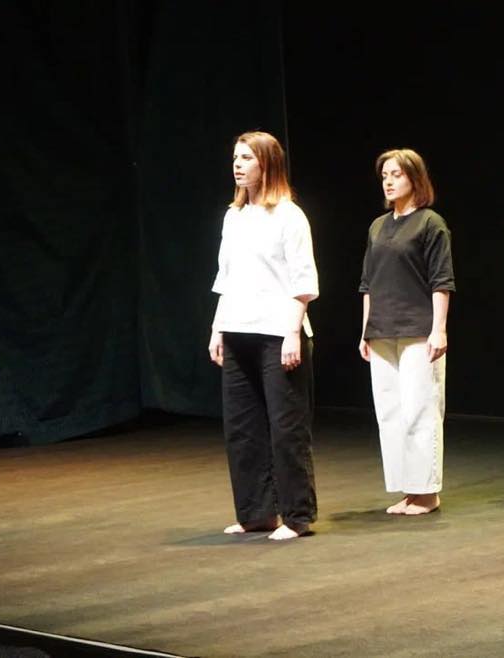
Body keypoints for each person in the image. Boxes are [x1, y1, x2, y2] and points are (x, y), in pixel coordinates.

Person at [209, 130, 319, 541]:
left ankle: (296, 516)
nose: (237, 165)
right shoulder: (233, 217)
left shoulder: (289, 215)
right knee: (242, 428)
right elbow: (226, 278)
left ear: (267, 164)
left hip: (278, 332)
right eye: (235, 158)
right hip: (237, 329)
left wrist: (292, 333)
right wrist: (217, 328)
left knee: (286, 428)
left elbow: (303, 280)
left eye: (246, 158)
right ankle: (256, 513)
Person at [358, 149, 455, 516]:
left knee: (421, 408)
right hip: (381, 330)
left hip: (417, 330)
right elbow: (367, 283)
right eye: (385, 174)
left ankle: (426, 492)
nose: (388, 180)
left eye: (396, 174)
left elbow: (441, 281)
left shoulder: (430, 223)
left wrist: (439, 329)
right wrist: (365, 330)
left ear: (415, 178)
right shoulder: (377, 226)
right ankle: (408, 489)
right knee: (391, 413)